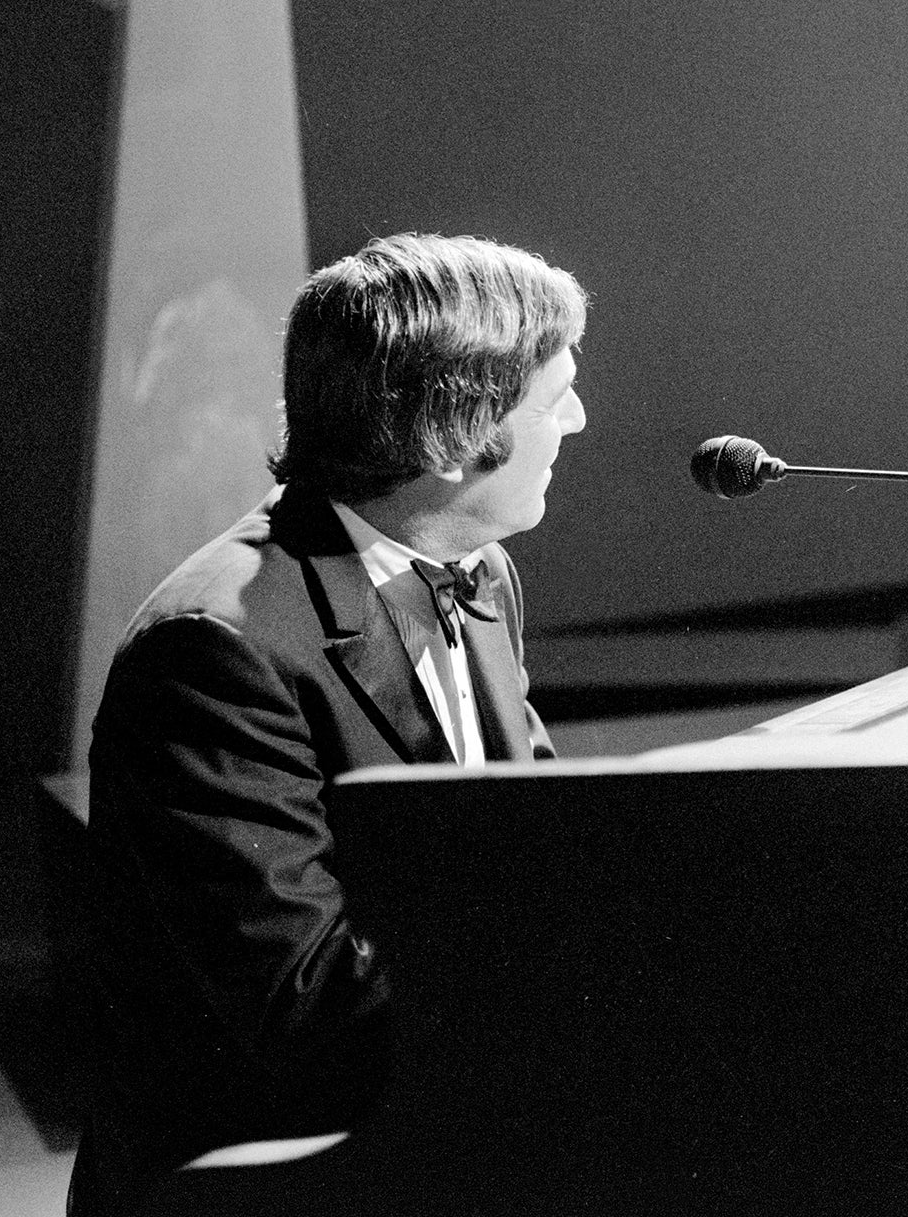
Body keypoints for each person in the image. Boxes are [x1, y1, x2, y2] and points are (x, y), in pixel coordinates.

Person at [69, 232, 589, 1213]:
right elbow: (299, 1005)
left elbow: (525, 850)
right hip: (267, 1175)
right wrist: (583, 1005)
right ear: (454, 429)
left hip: (431, 1118)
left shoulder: (474, 566)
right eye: (552, 398)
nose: (576, 420)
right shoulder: (214, 653)